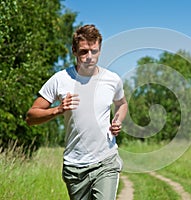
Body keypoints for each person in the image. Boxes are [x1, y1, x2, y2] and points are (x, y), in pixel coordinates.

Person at [26, 24, 128, 200]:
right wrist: (58, 109)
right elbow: (31, 117)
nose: (89, 57)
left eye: (94, 51)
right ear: (73, 50)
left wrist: (117, 120)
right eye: (83, 52)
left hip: (106, 161)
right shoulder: (60, 80)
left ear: (100, 50)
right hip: (75, 166)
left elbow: (122, 104)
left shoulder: (112, 80)